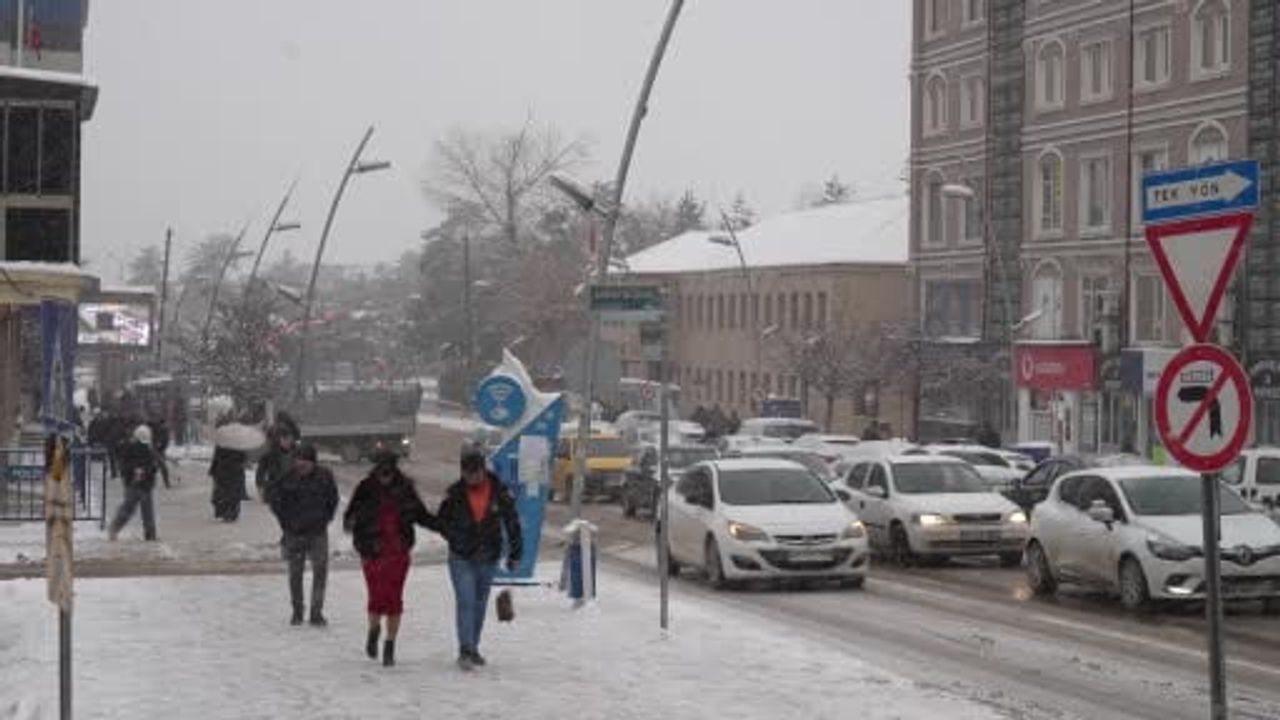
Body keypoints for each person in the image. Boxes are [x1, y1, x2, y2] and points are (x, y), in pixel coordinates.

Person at [342, 452, 439, 667]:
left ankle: (390, 644)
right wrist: (351, 522)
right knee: (376, 596)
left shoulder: (405, 489)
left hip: (398, 552)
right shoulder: (365, 488)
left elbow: (421, 515)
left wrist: (444, 526)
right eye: (381, 472)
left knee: (394, 598)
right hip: (372, 552)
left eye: (388, 473)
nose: (384, 477)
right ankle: (374, 629)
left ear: (394, 471)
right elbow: (349, 516)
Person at [437, 444, 521, 671]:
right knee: (466, 601)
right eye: (467, 474)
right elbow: (441, 521)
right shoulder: (455, 493)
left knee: (479, 603)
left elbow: (512, 521)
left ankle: (473, 647)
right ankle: (465, 649)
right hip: (461, 557)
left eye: (475, 473)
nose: (471, 478)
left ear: (483, 470)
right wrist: (455, 537)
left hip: (488, 556)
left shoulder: (499, 491)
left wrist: (515, 553)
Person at [269, 444, 339, 626]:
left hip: (318, 532)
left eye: (305, 461)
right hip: (294, 533)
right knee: (295, 574)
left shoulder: (324, 476)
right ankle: (297, 612)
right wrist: (286, 523)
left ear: (313, 462)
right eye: (298, 460)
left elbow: (333, 499)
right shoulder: (287, 477)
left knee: (320, 571)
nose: (301, 464)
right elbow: (275, 501)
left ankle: (316, 613)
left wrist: (325, 519)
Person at [108, 425, 160, 541]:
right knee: (128, 507)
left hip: (146, 482)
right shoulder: (129, 448)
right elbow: (124, 465)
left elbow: (153, 466)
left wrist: (145, 471)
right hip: (133, 482)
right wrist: (134, 471)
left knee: (147, 510)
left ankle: (150, 533)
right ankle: (114, 528)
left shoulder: (149, 449)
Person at [256, 424, 299, 502]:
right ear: (280, 439)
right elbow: (260, 472)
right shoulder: (270, 454)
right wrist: (261, 487)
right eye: (285, 439)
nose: (288, 442)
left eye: (290, 439)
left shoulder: (298, 452)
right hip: (276, 487)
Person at [209, 446, 247, 522]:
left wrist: (213, 469)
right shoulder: (239, 444)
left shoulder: (222, 443)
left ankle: (226, 512)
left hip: (224, 470)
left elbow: (216, 457)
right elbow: (243, 458)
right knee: (232, 492)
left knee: (225, 492)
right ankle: (230, 512)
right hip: (233, 471)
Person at [148, 416, 172, 489]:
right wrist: (157, 444)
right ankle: (164, 482)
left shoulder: (163, 429)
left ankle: (165, 482)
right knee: (159, 466)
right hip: (155, 449)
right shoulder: (159, 429)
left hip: (159, 450)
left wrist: (161, 445)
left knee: (159, 466)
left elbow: (166, 441)